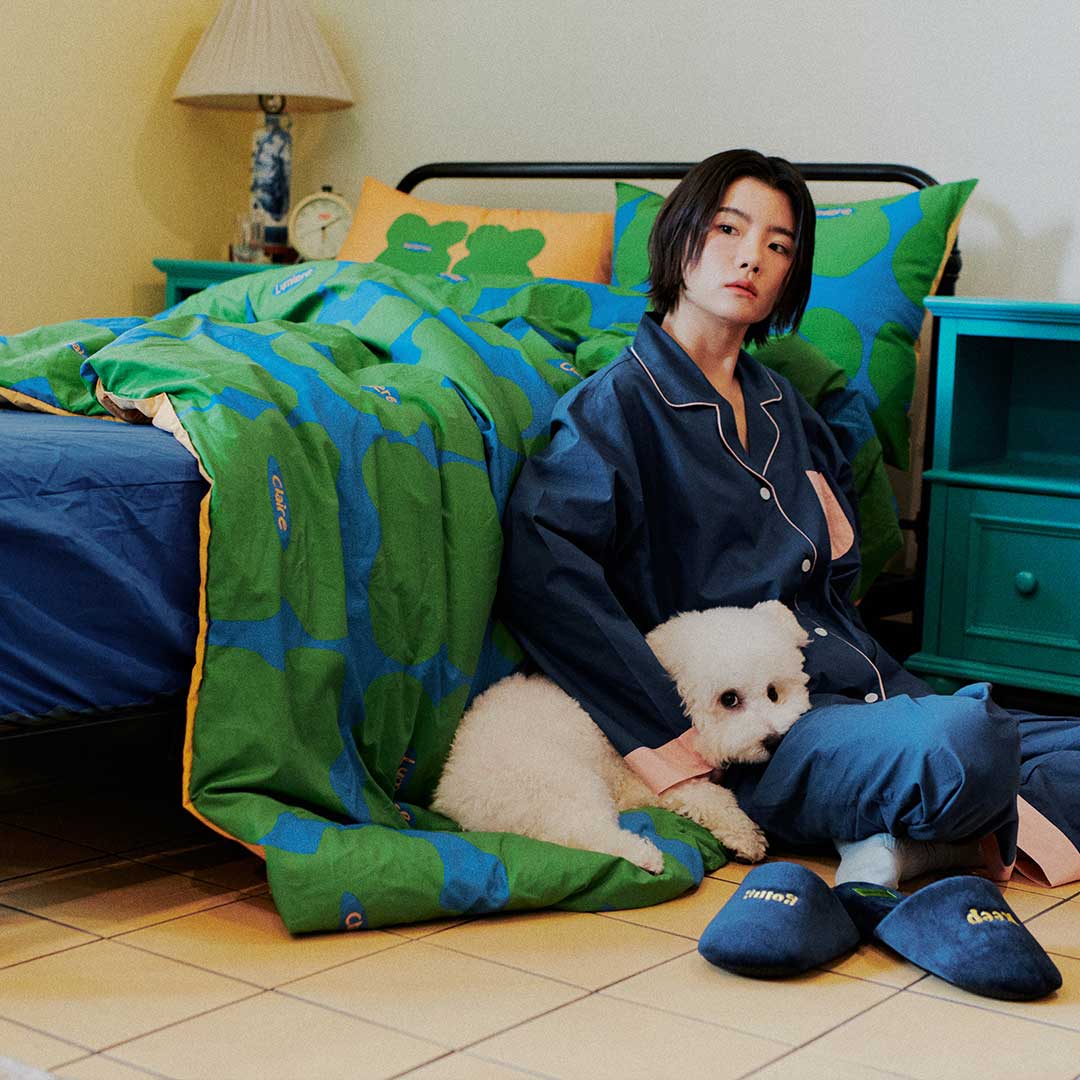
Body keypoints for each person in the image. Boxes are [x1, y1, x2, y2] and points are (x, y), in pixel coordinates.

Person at [499, 149, 1080, 889]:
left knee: (1001, 737)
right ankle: (948, 822)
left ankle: (926, 842)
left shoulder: (788, 407)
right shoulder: (615, 409)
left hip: (870, 687)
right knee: (963, 738)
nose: (752, 258)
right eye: (729, 230)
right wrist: (668, 743)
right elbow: (545, 573)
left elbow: (839, 569)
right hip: (763, 735)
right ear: (678, 237)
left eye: (778, 246)